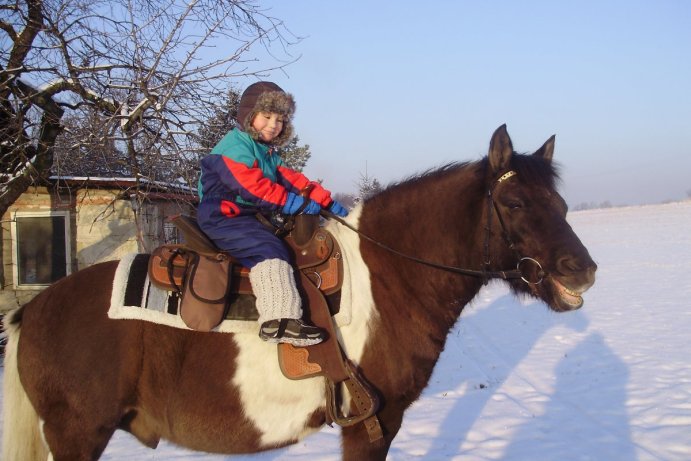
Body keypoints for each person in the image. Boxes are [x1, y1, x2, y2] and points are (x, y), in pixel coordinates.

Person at [197, 81, 348, 346]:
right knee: (267, 247)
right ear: (249, 115)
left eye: (280, 119)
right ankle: (278, 321)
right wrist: (294, 205)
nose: (273, 124)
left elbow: (296, 181)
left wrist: (327, 204)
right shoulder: (234, 147)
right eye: (267, 116)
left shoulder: (268, 154)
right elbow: (253, 187)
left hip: (246, 215)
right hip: (223, 216)